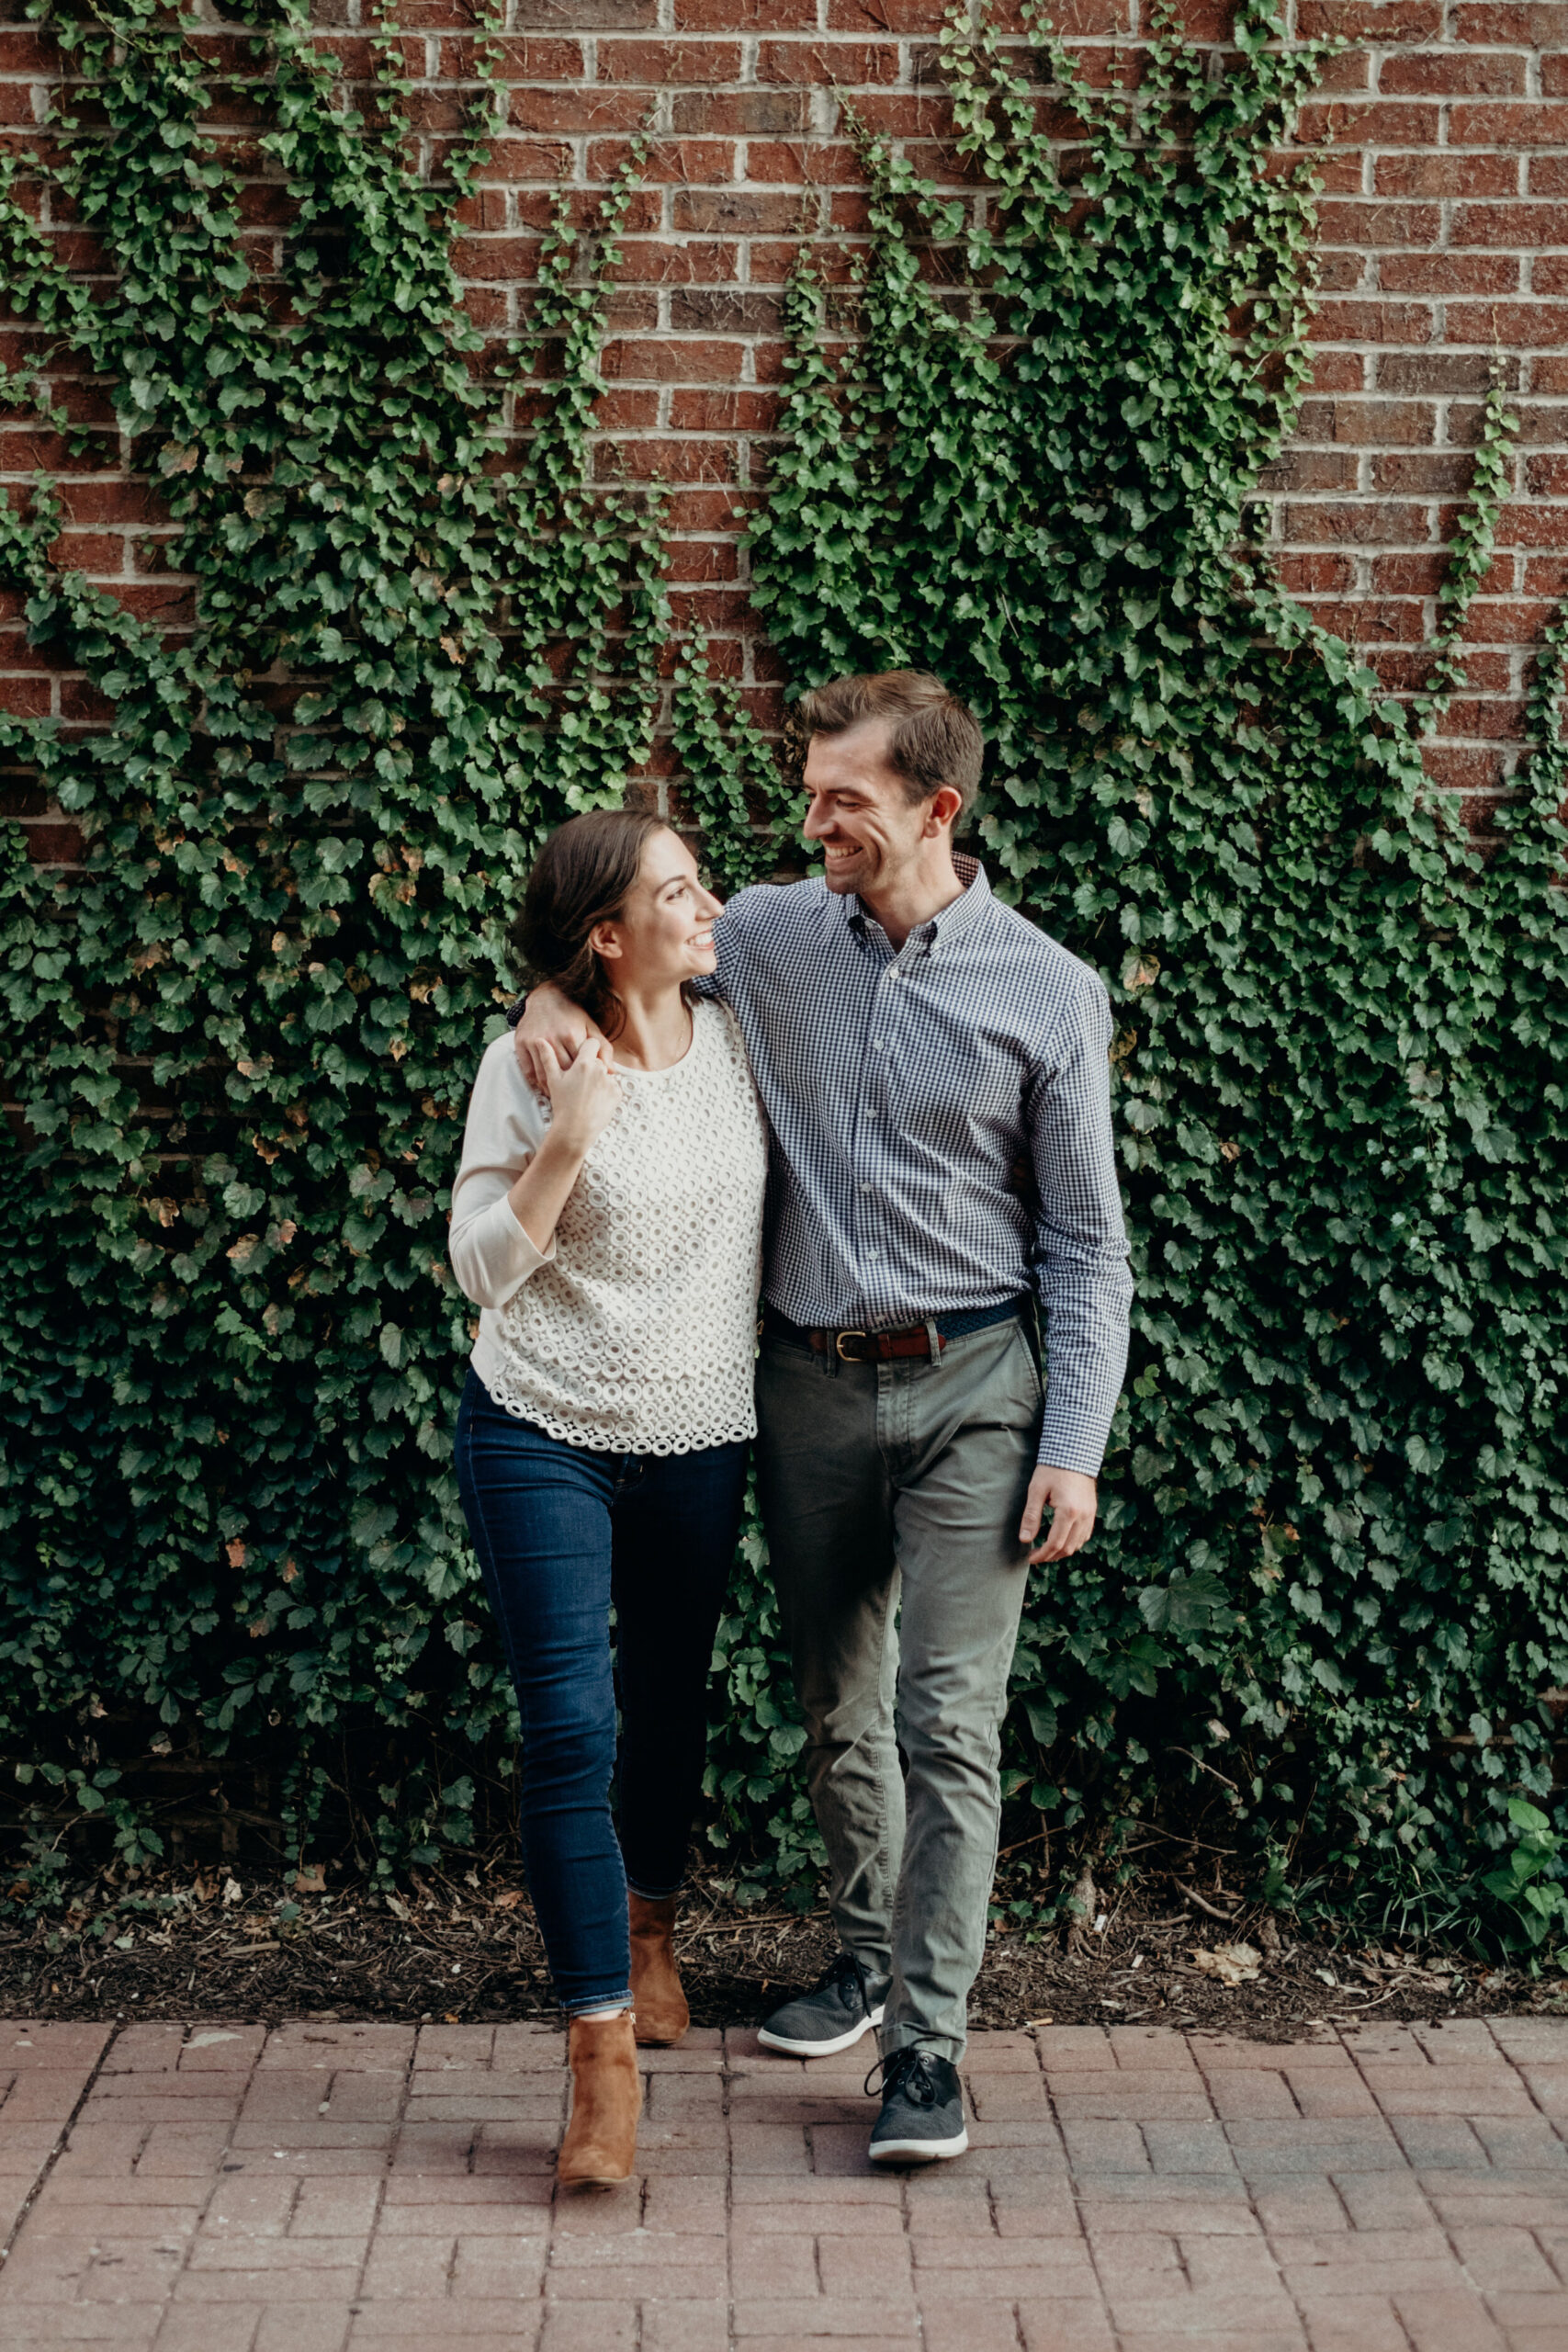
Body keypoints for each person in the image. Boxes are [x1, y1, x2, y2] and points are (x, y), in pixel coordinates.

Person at [514, 671, 1132, 2166]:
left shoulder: (1048, 988)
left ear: (937, 808)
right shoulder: (778, 931)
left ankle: (927, 2051)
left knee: (949, 1720)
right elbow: (620, 961)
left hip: (977, 1382)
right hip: (799, 1384)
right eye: (809, 795)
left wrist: (1074, 1443)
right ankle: (862, 1955)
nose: (811, 824)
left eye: (841, 800)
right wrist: (545, 998)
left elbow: (1087, 1244)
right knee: (837, 1703)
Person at [449, 808, 766, 2187]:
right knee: (570, 1726)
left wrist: (543, 984)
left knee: (670, 1705)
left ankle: (648, 1927)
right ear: (608, 932)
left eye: (700, 886)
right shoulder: (531, 1072)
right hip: (541, 1426)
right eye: (680, 891)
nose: (711, 907)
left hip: (700, 1427)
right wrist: (564, 1141)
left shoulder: (744, 1014)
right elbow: (479, 1269)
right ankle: (600, 2060)